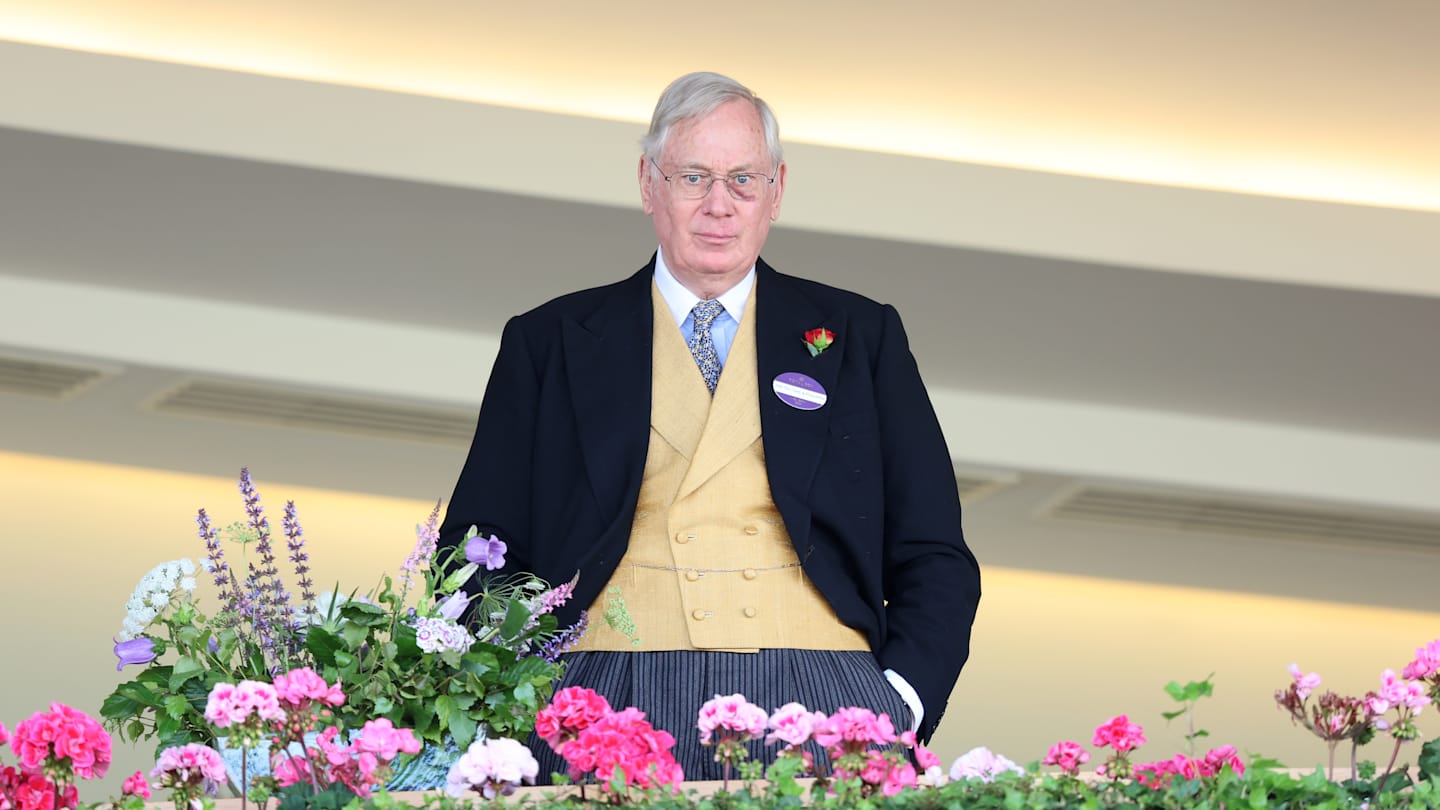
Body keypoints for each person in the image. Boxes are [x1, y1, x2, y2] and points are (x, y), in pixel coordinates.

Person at [439, 71, 981, 779]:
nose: (719, 205)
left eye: (743, 180)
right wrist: (515, 693)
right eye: (693, 177)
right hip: (603, 692)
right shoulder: (553, 340)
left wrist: (899, 699)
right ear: (648, 184)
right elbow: (475, 549)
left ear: (777, 192)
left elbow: (935, 553)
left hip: (823, 696)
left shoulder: (859, 335)